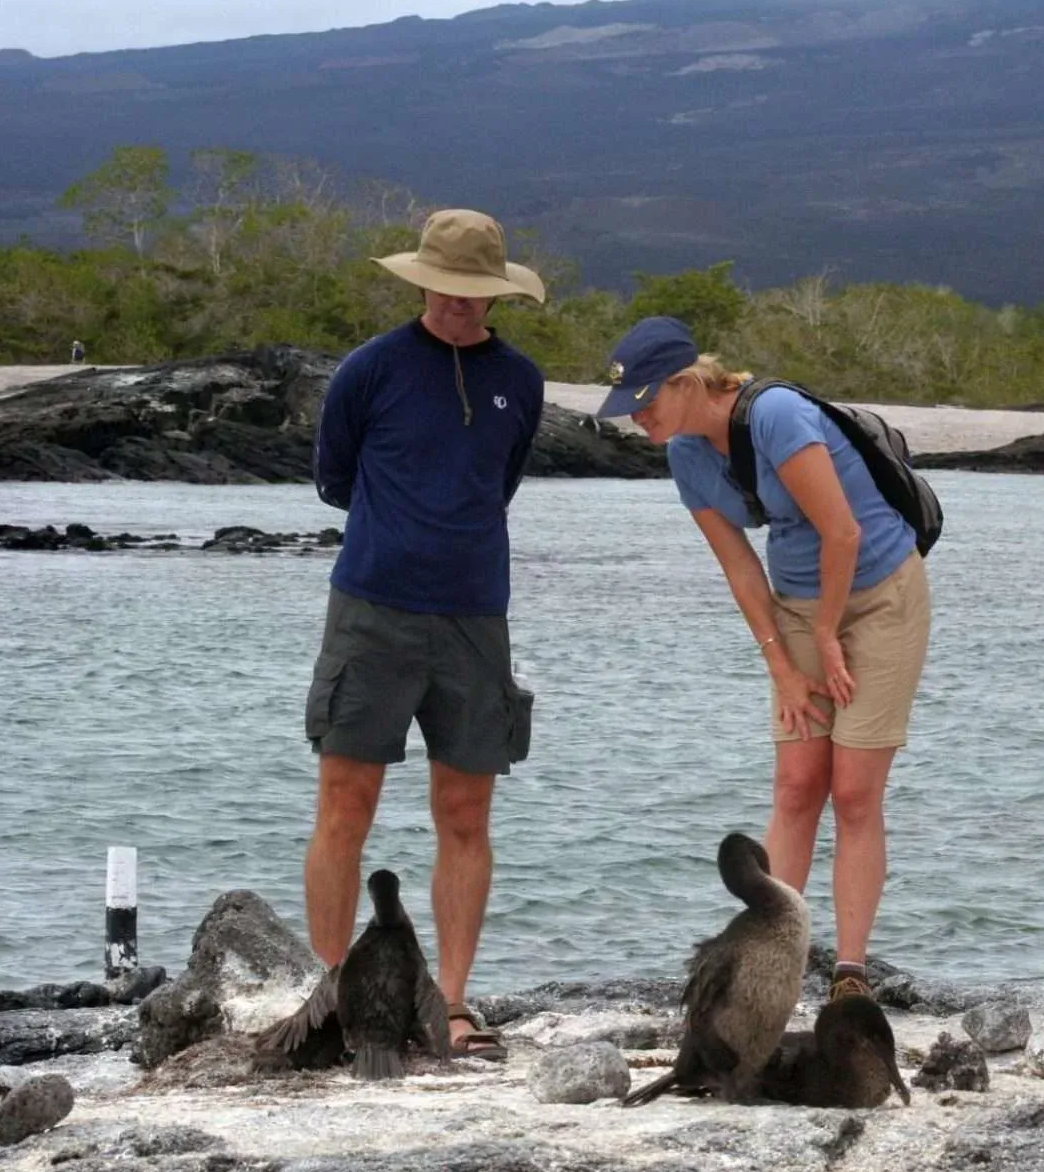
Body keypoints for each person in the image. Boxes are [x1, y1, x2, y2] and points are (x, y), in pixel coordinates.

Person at [594, 316, 931, 1004]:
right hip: (799, 605)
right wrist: (781, 663)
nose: (638, 420)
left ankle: (850, 975)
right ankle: (767, 961)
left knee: (856, 792)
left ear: (688, 382)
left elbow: (843, 531)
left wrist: (831, 632)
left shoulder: (775, 414)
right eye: (629, 410)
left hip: (880, 594)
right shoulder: (683, 454)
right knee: (797, 782)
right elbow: (739, 567)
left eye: (647, 403)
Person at [302, 208, 545, 1058]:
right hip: (372, 608)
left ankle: (453, 1001)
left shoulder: (522, 377)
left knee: (466, 812)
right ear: (422, 282)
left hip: (477, 616)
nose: (458, 305)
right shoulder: (368, 370)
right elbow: (335, 477)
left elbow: (497, 484)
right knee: (344, 805)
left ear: (494, 295)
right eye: (446, 288)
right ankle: (332, 998)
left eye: (475, 293)